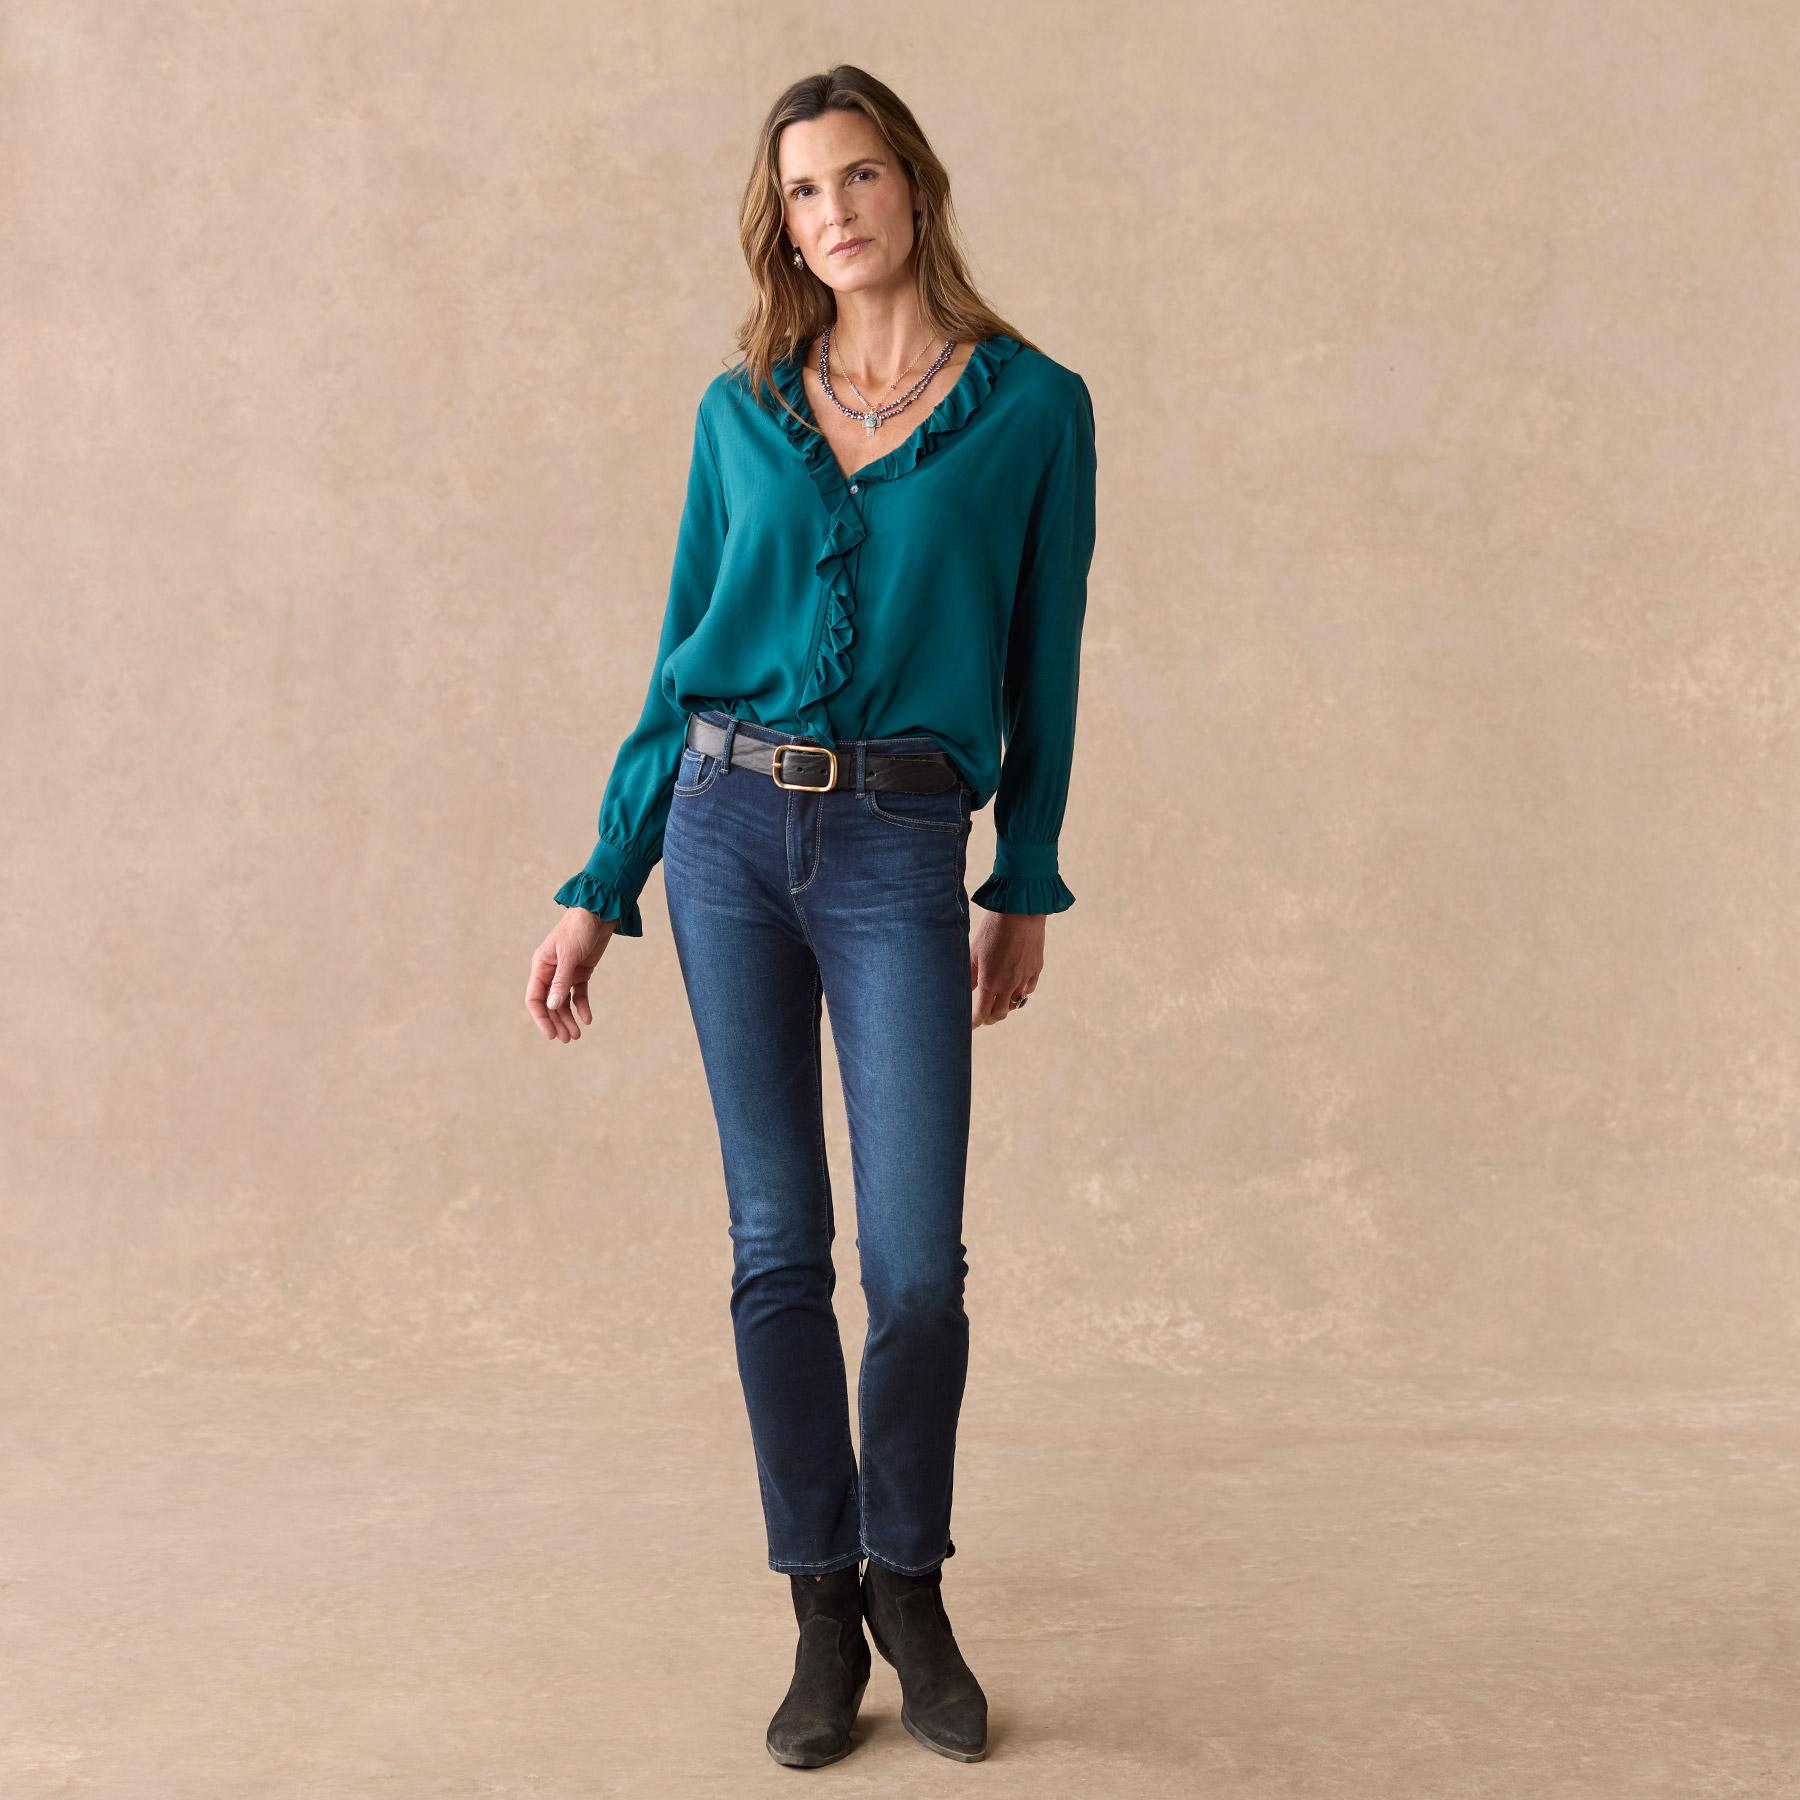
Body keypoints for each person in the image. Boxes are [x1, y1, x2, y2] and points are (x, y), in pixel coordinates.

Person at [524, 65, 1097, 1770]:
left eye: (857, 176)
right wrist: (603, 882)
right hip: (720, 836)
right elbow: (680, 657)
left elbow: (1045, 661)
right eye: (801, 192)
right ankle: (821, 1606)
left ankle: (911, 1582)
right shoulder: (742, 413)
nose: (833, 212)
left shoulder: (1035, 408)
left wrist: (1024, 879)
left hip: (902, 844)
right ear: (780, 225)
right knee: (777, 1246)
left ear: (913, 185)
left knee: (915, 1268)